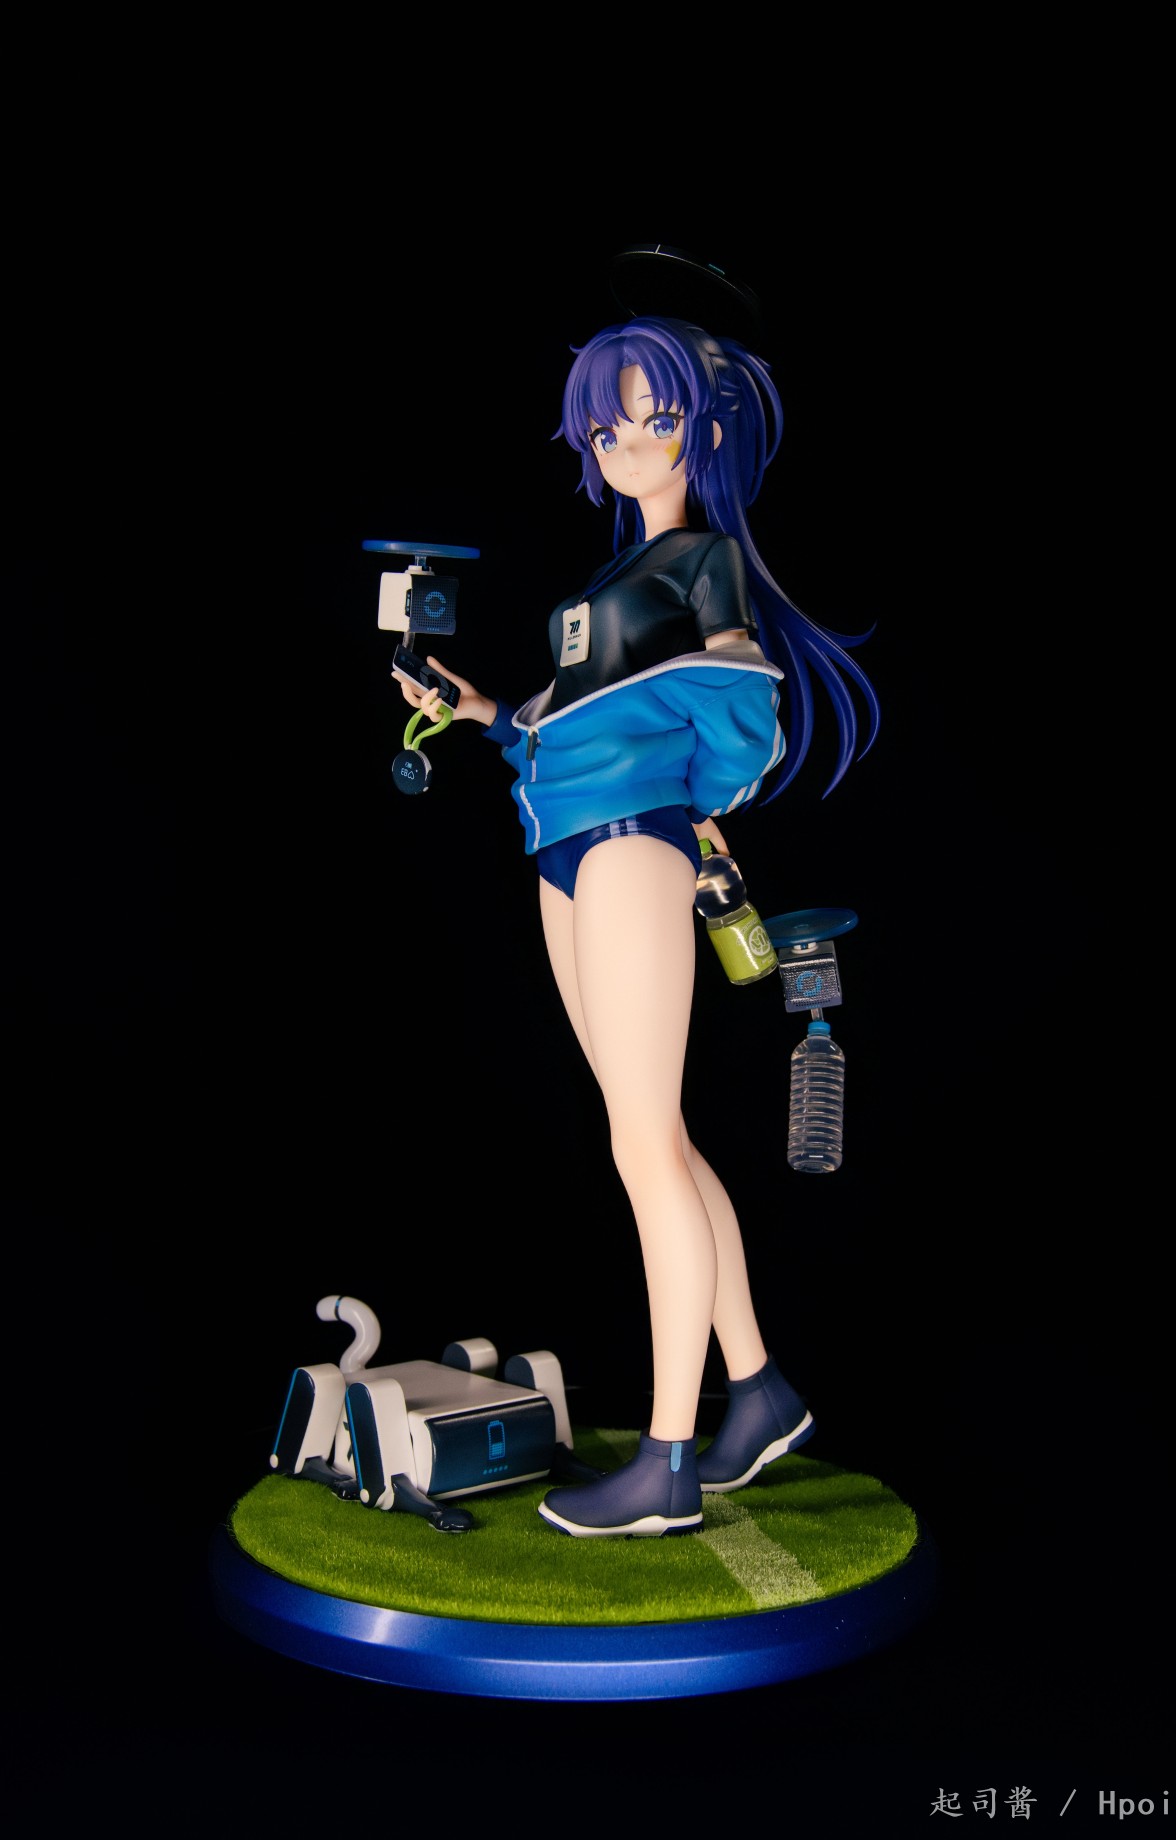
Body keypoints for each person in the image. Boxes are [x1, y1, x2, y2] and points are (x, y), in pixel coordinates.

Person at [397, 313, 878, 1538]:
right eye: (606, 428)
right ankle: (757, 1390)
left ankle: (668, 1461)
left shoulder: (703, 559)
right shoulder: (614, 581)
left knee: (645, 1143)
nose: (624, 445)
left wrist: (693, 796)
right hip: (563, 845)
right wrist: (483, 712)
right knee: (647, 1132)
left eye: (653, 420)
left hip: (630, 842)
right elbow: (571, 720)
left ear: (703, 432)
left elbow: (740, 701)